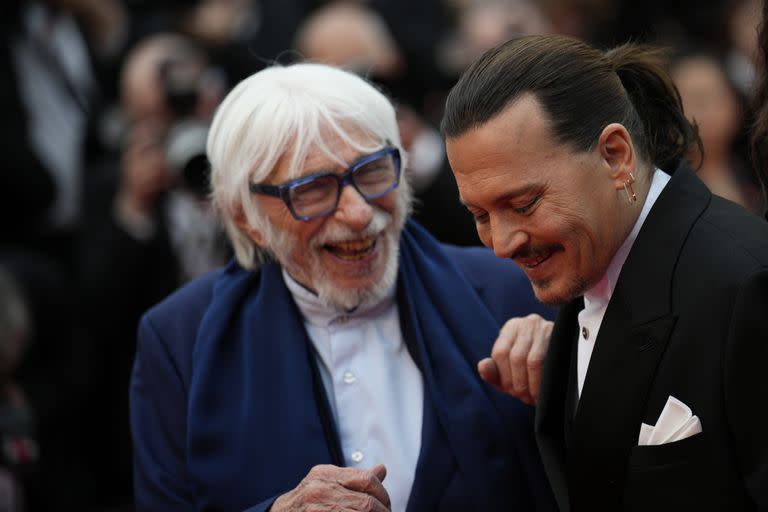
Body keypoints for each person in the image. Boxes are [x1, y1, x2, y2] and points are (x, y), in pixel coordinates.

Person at [129, 62, 557, 511]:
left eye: (372, 172)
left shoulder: (512, 290)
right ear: (246, 217)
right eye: (312, 189)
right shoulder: (179, 338)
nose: (357, 214)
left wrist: (573, 381)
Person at [442, 34, 768, 511]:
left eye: (524, 203)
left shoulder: (748, 285)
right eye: (481, 215)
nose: (502, 243)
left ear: (615, 155)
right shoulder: (584, 264)